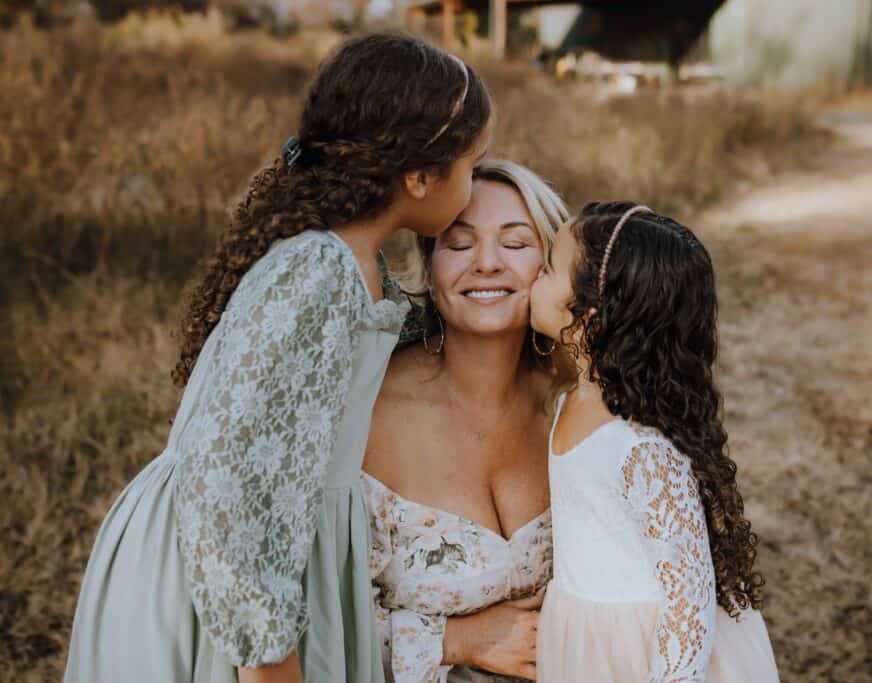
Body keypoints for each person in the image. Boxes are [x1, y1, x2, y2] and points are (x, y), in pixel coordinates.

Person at [64, 34, 492, 683]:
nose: (475, 184)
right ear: (419, 175)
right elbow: (227, 476)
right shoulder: (318, 272)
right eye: (471, 165)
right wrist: (267, 658)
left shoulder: (354, 266)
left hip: (264, 559)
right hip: (217, 581)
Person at [529, 202, 778, 682]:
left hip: (643, 651)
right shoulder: (569, 400)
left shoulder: (637, 447)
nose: (533, 277)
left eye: (547, 269)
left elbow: (688, 595)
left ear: (586, 318)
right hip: (585, 636)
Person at [361, 159, 571, 682]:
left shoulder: (579, 399)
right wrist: (454, 641)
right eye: (458, 245)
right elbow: (313, 615)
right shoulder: (366, 412)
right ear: (429, 272)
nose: (487, 264)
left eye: (515, 244)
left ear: (553, 269)